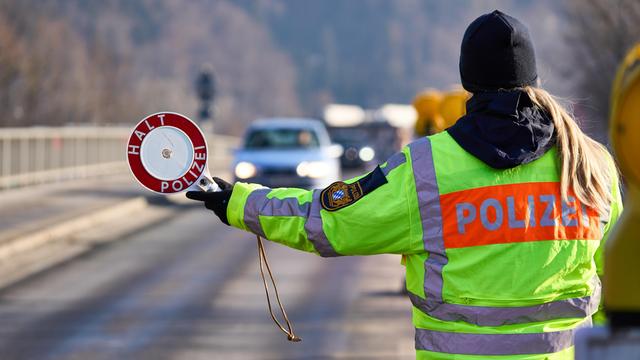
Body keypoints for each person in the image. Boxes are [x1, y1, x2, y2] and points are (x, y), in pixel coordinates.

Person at [187, 10, 623, 360]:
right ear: (534, 78)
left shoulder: (428, 168)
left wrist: (238, 202)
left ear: (467, 81)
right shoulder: (590, 165)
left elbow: (330, 221)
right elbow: (618, 283)